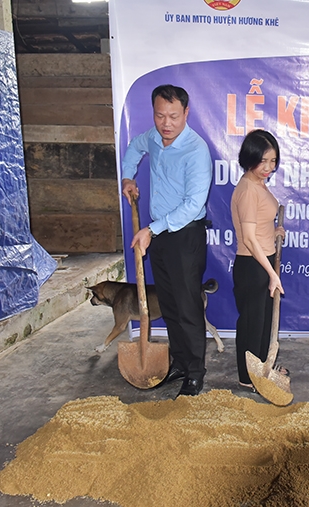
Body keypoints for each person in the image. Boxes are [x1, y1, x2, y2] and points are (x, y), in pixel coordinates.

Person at [121, 84, 212, 397]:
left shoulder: (196, 151)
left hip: (184, 236)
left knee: (187, 307)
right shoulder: (154, 138)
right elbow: (134, 146)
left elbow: (192, 204)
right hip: (158, 234)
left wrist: (151, 229)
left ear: (186, 113)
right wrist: (127, 176)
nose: (166, 123)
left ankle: (196, 373)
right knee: (169, 304)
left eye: (174, 116)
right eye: (160, 115)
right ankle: (180, 363)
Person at [230, 129, 286, 393]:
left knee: (263, 322)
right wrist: (271, 274)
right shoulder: (248, 190)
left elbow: (260, 226)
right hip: (253, 265)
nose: (268, 167)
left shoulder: (258, 184)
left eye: (273, 161)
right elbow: (250, 240)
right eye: (263, 161)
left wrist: (274, 230)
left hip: (264, 260)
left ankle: (263, 369)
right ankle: (247, 377)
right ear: (249, 158)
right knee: (253, 323)